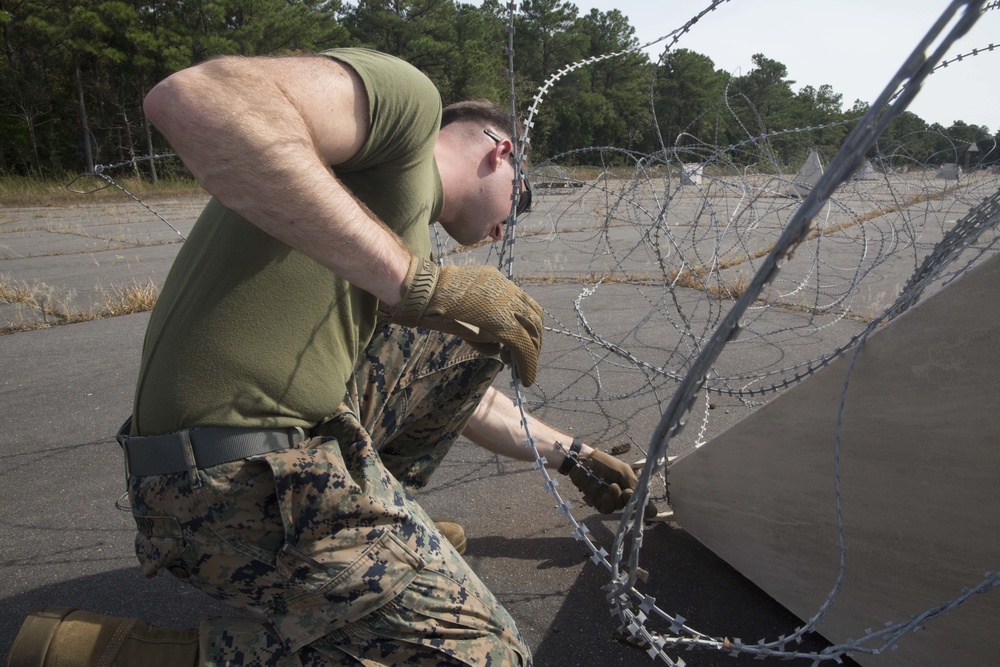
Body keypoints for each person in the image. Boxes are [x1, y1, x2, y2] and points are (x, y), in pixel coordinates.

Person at [6, 48, 641, 667]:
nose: (508, 227)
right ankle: (125, 654)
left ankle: (377, 533)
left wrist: (572, 455)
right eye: (520, 201)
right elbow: (196, 98)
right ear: (499, 153)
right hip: (227, 486)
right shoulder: (408, 113)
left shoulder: (388, 234)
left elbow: (448, 390)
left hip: (241, 469)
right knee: (486, 658)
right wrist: (413, 285)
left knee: (469, 337)